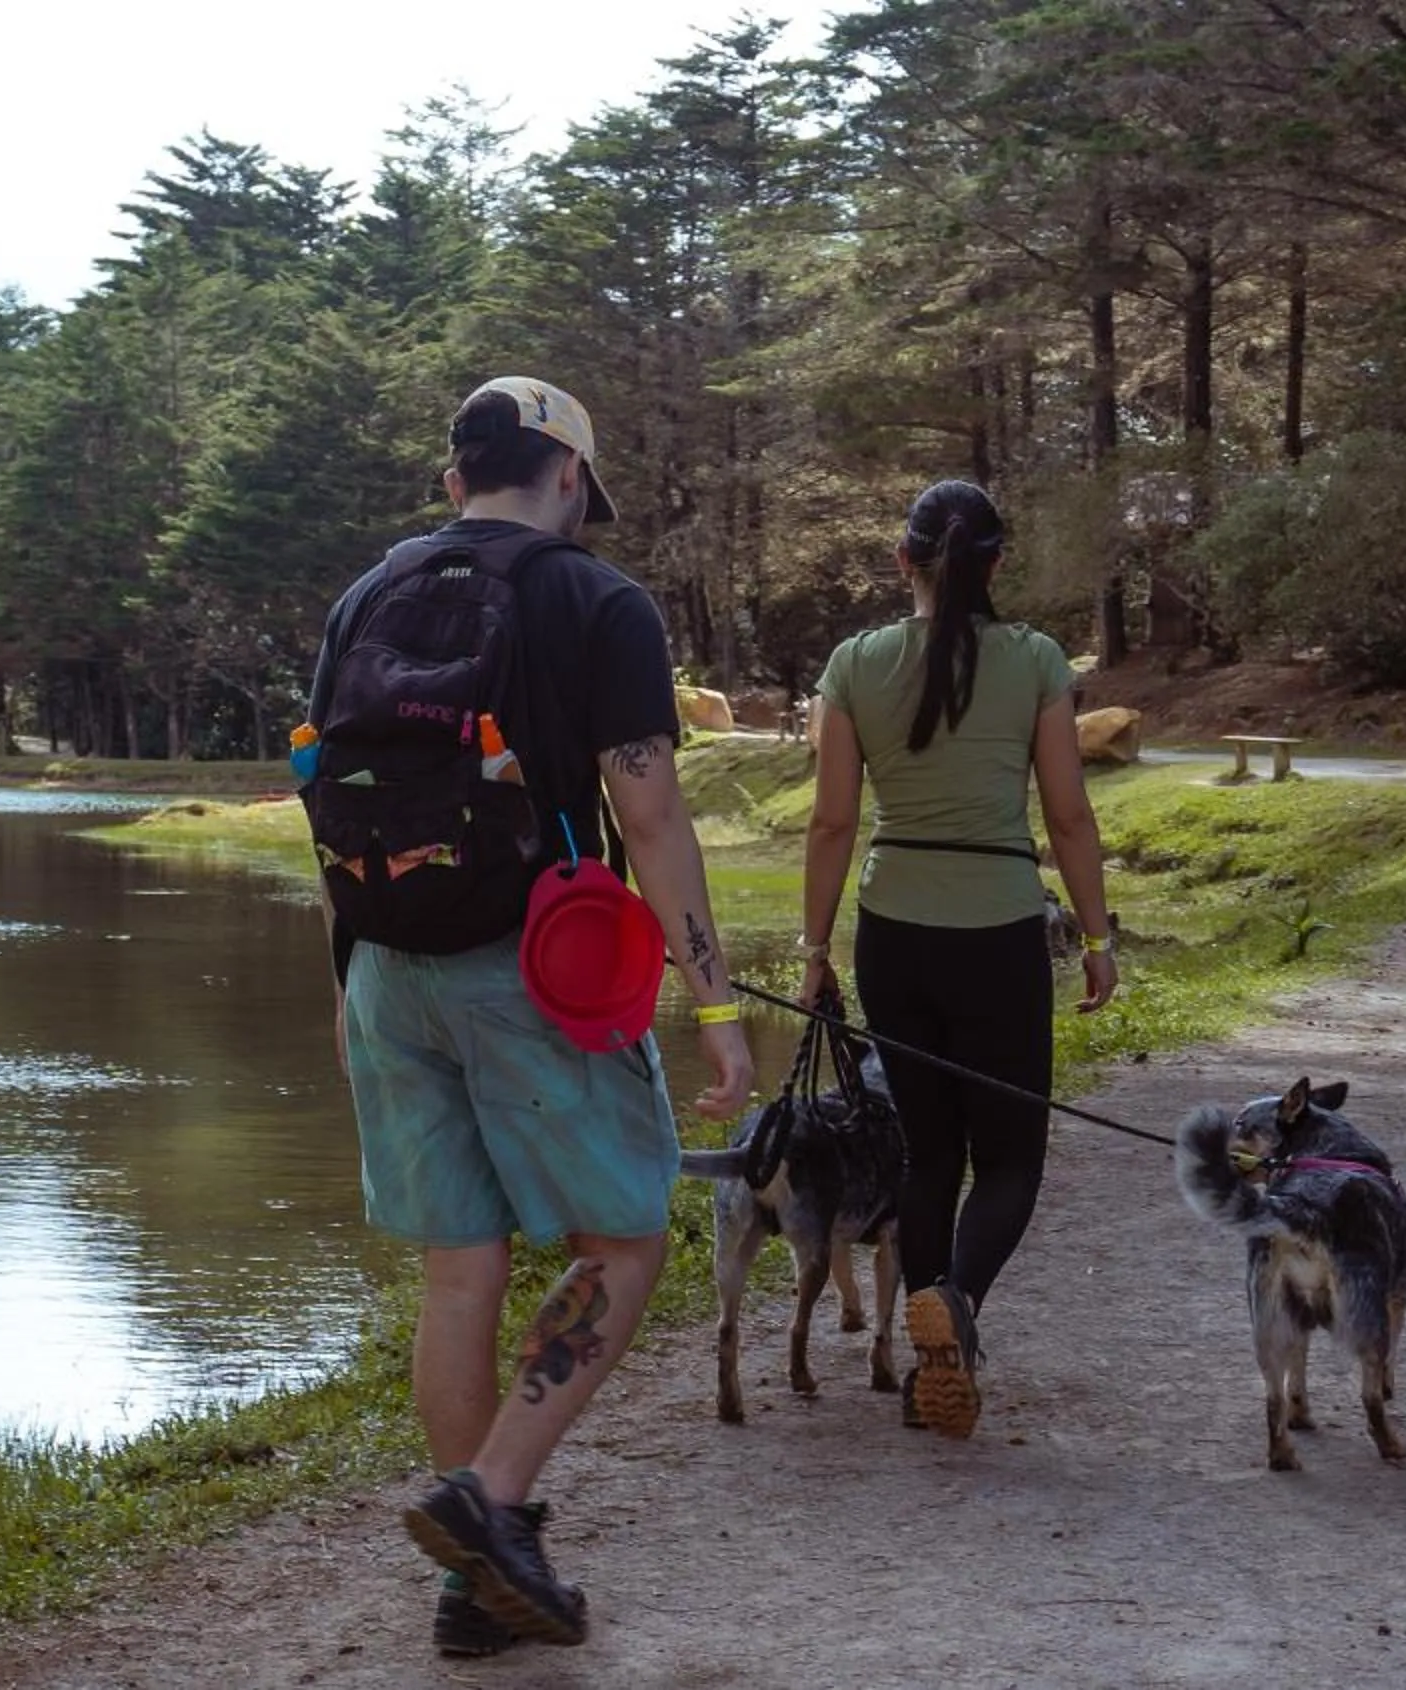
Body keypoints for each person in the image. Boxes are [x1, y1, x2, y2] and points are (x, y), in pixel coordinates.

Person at [306, 376, 751, 1657]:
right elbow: (651, 815)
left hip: (389, 962)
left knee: (462, 1269)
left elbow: (330, 801)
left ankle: (472, 1589)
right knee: (624, 1243)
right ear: (568, 479)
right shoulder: (597, 600)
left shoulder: (363, 597)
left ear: (457, 481)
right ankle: (488, 1503)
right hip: (541, 970)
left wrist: (348, 978)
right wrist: (712, 997)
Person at [795, 478, 1118, 1441]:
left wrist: (814, 951)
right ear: (996, 565)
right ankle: (958, 1307)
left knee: (929, 1153)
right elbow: (1067, 814)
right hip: (999, 933)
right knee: (1011, 1157)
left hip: (894, 928)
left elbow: (832, 820)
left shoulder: (855, 663)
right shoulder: (1035, 661)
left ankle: (934, 1325)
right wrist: (1097, 939)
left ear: (905, 563)